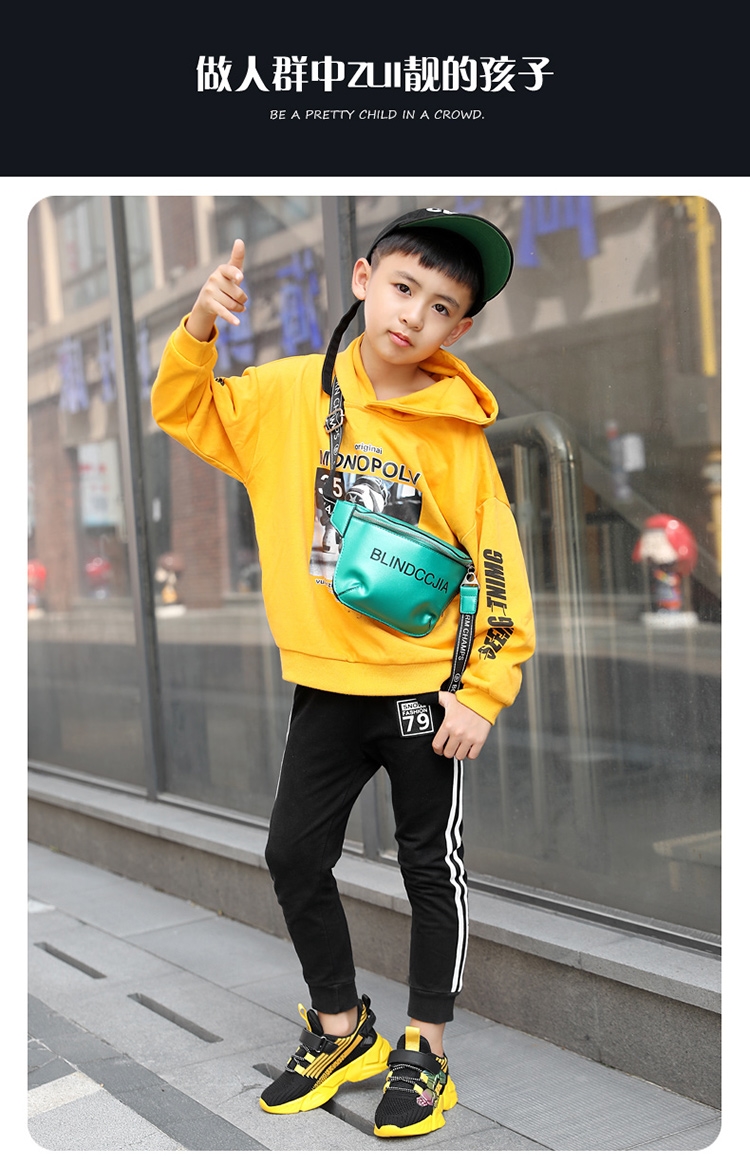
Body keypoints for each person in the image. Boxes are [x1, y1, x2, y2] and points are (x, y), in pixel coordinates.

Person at [151, 206, 535, 1138]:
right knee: (292, 853)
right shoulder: (287, 394)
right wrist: (199, 323)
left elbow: (495, 568)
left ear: (459, 330)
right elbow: (184, 408)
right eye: (403, 287)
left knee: (428, 868)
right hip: (326, 685)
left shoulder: (455, 433)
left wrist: (482, 690)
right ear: (364, 280)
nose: (413, 315)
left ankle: (425, 1049)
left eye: (440, 307)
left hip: (423, 693)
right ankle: (341, 1028)